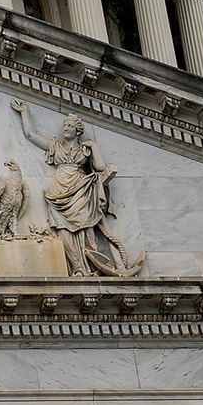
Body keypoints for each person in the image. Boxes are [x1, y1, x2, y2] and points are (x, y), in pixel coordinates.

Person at [13, 102, 147, 277]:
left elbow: (100, 166)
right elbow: (31, 134)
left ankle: (92, 265)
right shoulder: (55, 146)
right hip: (58, 192)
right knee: (62, 230)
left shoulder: (84, 151)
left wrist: (93, 146)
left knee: (87, 228)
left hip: (81, 190)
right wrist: (25, 113)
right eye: (65, 125)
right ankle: (77, 267)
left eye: (70, 126)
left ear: (78, 131)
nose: (66, 128)